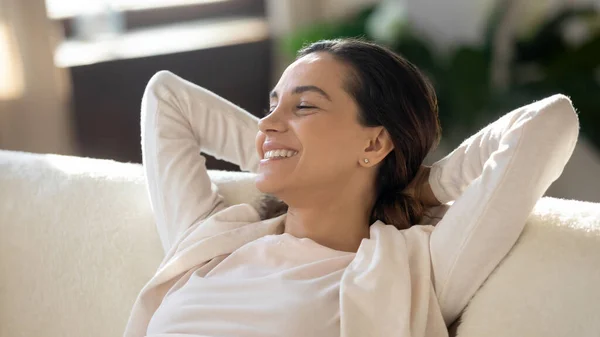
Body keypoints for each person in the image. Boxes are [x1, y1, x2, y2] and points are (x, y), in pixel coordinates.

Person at [124, 39, 579, 337]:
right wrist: (278, 147)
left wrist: (426, 184)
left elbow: (549, 122)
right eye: (271, 106)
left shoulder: (414, 269)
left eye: (304, 105)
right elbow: (167, 97)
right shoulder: (215, 240)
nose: (265, 122)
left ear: (375, 141)